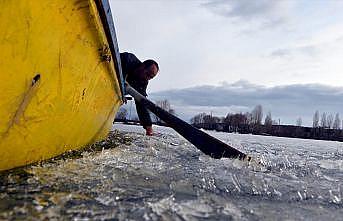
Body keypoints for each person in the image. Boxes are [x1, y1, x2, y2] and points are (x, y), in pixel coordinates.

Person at [120, 52, 159, 136]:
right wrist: (120, 92)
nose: (147, 78)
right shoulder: (128, 59)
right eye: (147, 74)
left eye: (150, 77)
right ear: (142, 66)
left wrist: (148, 125)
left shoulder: (143, 82)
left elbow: (141, 102)